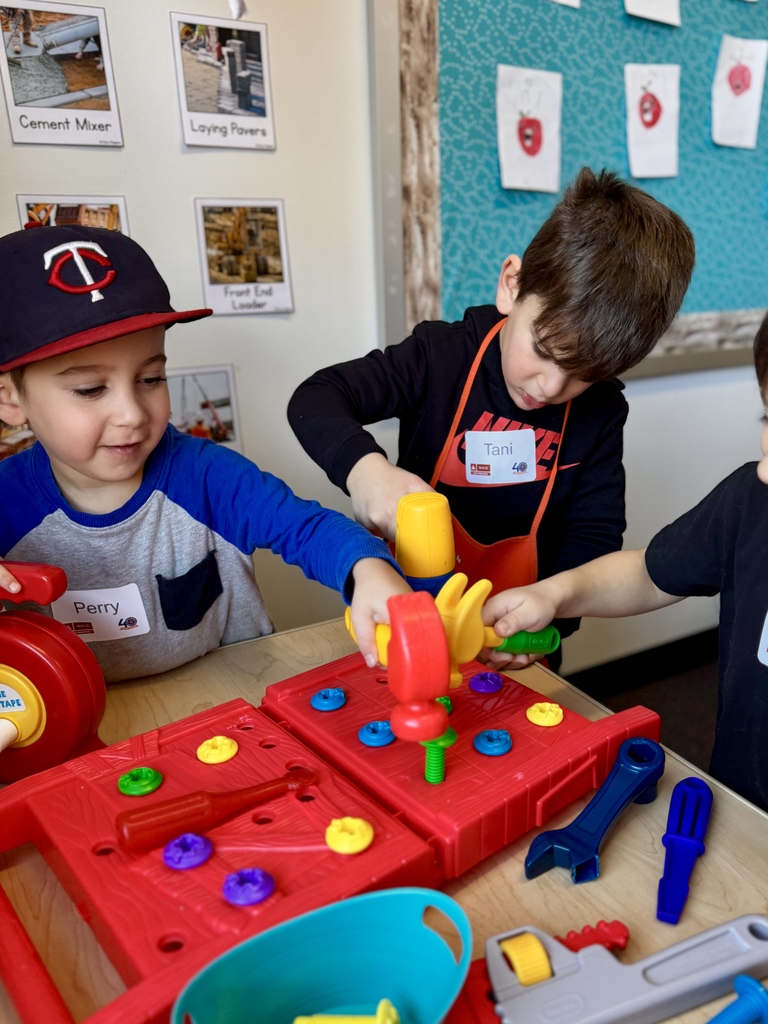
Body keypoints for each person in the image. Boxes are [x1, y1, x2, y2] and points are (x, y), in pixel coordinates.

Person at [288, 167, 695, 668]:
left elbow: (593, 536)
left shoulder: (601, 411)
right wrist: (366, 473)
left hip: (514, 637)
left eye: (582, 374)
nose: (551, 387)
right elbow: (317, 396)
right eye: (543, 351)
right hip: (407, 624)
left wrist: (551, 615)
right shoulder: (440, 357)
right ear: (511, 286)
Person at [0, 224, 410, 683]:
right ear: (10, 400)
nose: (131, 414)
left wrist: (366, 568)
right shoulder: (5, 502)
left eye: (151, 379)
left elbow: (309, 528)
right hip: (85, 726)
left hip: (231, 702)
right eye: (91, 389)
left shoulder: (209, 475)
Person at [481, 312, 768, 811]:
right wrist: (555, 593)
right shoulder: (752, 497)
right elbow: (649, 573)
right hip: (743, 795)